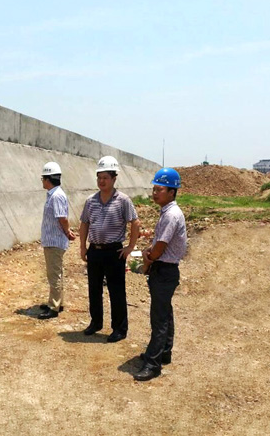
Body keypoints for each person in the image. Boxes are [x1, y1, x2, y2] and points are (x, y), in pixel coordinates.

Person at [79, 156, 140, 342]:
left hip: (114, 252)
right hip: (95, 250)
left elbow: (135, 223)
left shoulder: (123, 200)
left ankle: (119, 329)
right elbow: (84, 223)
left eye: (105, 177)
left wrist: (130, 247)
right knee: (94, 289)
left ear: (114, 179)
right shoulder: (91, 201)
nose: (101, 181)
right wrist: (83, 247)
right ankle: (96, 322)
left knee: (116, 291)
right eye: (99, 177)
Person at [134, 168, 187, 381]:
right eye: (154, 189)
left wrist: (148, 257)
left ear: (172, 192)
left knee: (159, 318)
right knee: (165, 312)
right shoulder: (168, 212)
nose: (155, 193)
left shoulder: (171, 215)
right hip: (166, 270)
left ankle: (152, 364)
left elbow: (159, 248)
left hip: (164, 270)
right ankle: (164, 352)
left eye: (160, 189)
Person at [38, 162, 76, 320]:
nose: (42, 181)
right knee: (55, 273)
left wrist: (67, 232)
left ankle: (54, 307)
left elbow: (62, 218)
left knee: (54, 275)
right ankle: (57, 302)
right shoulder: (53, 195)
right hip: (52, 241)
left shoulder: (56, 196)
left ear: (48, 179)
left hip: (55, 242)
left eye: (43, 178)